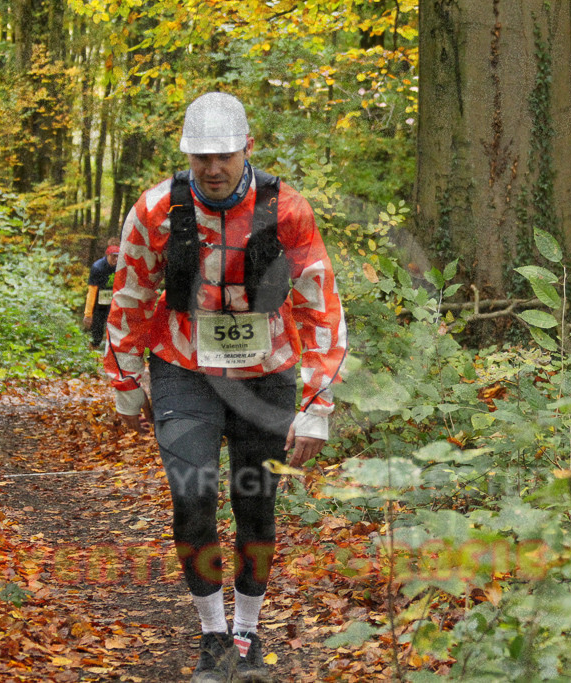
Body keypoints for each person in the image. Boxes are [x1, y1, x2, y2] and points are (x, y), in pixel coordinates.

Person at [104, 92, 347, 683]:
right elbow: (131, 290)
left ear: (247, 150)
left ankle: (248, 630)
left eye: (224, 156)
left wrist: (317, 404)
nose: (212, 168)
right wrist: (124, 377)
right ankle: (213, 634)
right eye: (201, 157)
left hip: (266, 372)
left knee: (254, 503)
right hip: (184, 368)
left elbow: (321, 307)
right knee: (191, 496)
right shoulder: (158, 208)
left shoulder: (287, 209)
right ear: (187, 154)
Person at [83, 239, 120, 349]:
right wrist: (88, 314)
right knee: (96, 334)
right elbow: (92, 292)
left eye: (118, 256)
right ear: (108, 254)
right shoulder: (98, 267)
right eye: (113, 256)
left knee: (114, 333)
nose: (116, 259)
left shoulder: (120, 267)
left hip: (113, 304)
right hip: (98, 305)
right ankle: (92, 355)